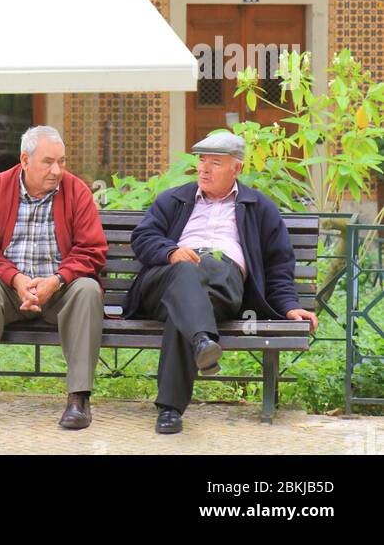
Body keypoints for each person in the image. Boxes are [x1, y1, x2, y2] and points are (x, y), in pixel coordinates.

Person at [125, 130, 319, 436]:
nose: (204, 168)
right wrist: (172, 252)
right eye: (201, 160)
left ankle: (172, 406)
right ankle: (201, 341)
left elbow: (279, 264)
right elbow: (143, 238)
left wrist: (290, 306)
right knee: (186, 276)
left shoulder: (260, 208)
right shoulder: (174, 199)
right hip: (165, 282)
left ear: (237, 168)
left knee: (187, 308)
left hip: (222, 284)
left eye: (215, 162)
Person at [0, 125, 106, 431]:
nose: (57, 170)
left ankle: (79, 398)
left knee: (88, 289)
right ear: (24, 160)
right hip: (9, 291)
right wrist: (14, 279)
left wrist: (57, 279)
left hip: (58, 292)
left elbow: (92, 250)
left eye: (62, 161)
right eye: (48, 162)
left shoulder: (77, 192)